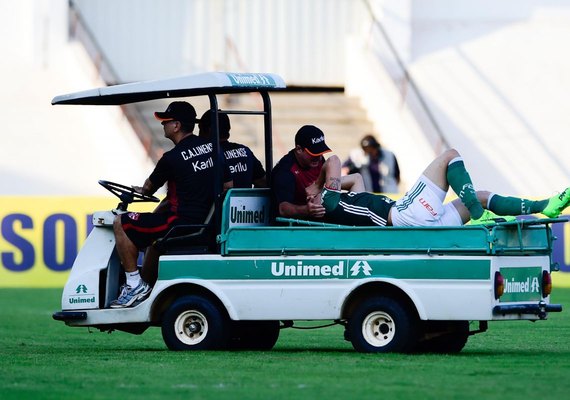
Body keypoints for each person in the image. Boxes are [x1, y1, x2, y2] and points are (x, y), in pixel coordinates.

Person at [111, 101, 232, 308]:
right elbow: (228, 186)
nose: (162, 126)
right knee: (149, 227)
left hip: (180, 223)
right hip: (207, 222)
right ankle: (145, 284)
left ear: (176, 126)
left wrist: (141, 191)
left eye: (165, 122)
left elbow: (148, 189)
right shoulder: (215, 149)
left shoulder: (171, 158)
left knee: (121, 222)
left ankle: (134, 284)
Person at [306, 149, 570, 227]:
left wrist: (323, 187)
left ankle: (544, 206)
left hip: (420, 221)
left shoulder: (338, 198)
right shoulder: (326, 200)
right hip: (404, 216)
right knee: (449, 156)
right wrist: (318, 186)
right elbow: (334, 161)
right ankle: (478, 215)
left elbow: (355, 181)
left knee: (481, 196)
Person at [271, 125, 363, 219]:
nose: (319, 157)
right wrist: (306, 210)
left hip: (322, 207)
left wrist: (319, 187)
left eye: (321, 152)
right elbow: (283, 209)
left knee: (357, 178)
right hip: (301, 222)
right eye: (314, 153)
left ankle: (360, 220)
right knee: (334, 161)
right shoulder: (285, 170)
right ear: (299, 149)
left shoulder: (317, 160)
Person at [198, 109, 266, 188]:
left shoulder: (206, 155)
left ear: (209, 130)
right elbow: (262, 181)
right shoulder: (245, 151)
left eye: (200, 129)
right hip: (245, 199)